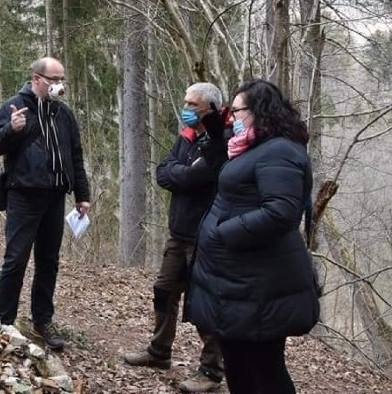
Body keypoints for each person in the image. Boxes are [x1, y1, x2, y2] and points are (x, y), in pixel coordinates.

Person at [187, 79, 320, 394]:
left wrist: (224, 234)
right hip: (240, 283)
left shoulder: (280, 151)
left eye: (237, 111)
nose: (232, 118)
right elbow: (226, 174)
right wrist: (214, 131)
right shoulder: (252, 146)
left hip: (261, 285)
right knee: (240, 366)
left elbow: (281, 212)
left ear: (259, 111)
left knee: (265, 371)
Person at [123, 83, 226, 393]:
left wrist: (181, 175)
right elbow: (163, 172)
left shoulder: (221, 140)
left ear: (210, 108)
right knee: (164, 291)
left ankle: (210, 372)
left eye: (192, 104)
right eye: (185, 102)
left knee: (204, 304)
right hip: (178, 233)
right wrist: (182, 174)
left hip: (205, 238)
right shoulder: (187, 136)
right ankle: (158, 353)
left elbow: (201, 175)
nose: (186, 109)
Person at [0, 57, 91, 350]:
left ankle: (41, 322)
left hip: (56, 197)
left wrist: (82, 195)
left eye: (62, 80)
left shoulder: (63, 113)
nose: (59, 85)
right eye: (53, 79)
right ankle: (4, 322)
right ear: (36, 79)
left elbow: (76, 155)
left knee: (49, 262)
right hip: (23, 196)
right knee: (15, 259)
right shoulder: (15, 106)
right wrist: (12, 129)